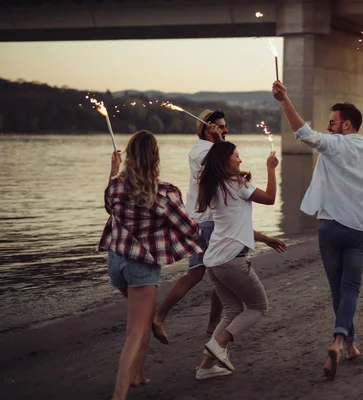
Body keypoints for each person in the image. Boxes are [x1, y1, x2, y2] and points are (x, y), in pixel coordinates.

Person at [272, 81, 363, 379]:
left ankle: (343, 343)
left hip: (331, 227)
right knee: (350, 289)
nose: (329, 127)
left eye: (332, 123)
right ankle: (346, 344)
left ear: (346, 125)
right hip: (359, 230)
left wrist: (285, 100)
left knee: (339, 290)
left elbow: (304, 133)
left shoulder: (336, 144)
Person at [98, 130, 202, 400]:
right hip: (141, 267)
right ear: (155, 157)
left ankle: (138, 375)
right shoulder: (164, 194)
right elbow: (190, 230)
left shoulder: (116, 187)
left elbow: (110, 207)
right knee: (135, 331)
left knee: (142, 320)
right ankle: (118, 395)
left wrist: (113, 171)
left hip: (116, 264)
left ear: (129, 157)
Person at [194, 142, 286, 380]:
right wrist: (271, 167)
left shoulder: (214, 186)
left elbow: (236, 225)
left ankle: (205, 366)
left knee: (233, 309)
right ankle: (220, 343)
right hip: (232, 261)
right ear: (226, 161)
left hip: (214, 261)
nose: (240, 160)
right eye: (236, 156)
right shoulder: (236, 184)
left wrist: (265, 238)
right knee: (259, 307)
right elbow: (270, 198)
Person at [152, 109, 228, 344]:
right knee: (206, 272)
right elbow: (227, 165)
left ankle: (212, 323)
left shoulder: (208, 148)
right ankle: (160, 315)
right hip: (206, 220)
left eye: (225, 126)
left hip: (205, 219)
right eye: (221, 126)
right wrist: (219, 142)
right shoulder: (202, 150)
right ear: (208, 128)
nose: (225, 130)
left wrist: (220, 142)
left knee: (210, 273)